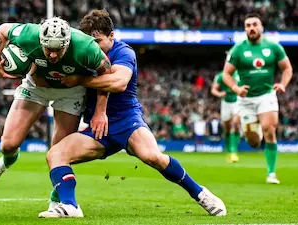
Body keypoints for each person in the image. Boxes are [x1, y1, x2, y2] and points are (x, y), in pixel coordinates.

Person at [38, 9, 227, 218]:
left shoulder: (124, 52)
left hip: (127, 121)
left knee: (152, 157)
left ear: (111, 36)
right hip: (98, 128)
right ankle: (70, 206)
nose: (94, 47)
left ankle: (200, 193)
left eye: (98, 41)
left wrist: (80, 80)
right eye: (90, 42)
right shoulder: (81, 52)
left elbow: (118, 83)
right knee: (55, 154)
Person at [0, 17, 112, 185]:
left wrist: (100, 112)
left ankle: (57, 200)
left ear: (67, 43)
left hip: (70, 92)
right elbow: (2, 30)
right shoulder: (29, 34)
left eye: (58, 49)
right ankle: (8, 160)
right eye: (48, 48)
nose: (52, 54)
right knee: (8, 145)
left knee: (59, 154)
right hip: (36, 87)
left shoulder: (85, 46)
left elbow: (107, 72)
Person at [223, 13, 293, 184]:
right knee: (253, 142)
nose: (251, 28)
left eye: (255, 24)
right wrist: (235, 88)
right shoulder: (238, 49)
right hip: (246, 100)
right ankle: (256, 130)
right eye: (248, 25)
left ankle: (271, 173)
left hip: (266, 95)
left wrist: (283, 84)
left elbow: (287, 69)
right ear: (245, 29)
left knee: (269, 129)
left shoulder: (274, 47)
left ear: (262, 27)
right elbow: (226, 74)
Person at [211, 69, 241, 162]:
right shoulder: (220, 76)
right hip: (225, 103)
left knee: (235, 124)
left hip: (238, 101)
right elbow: (213, 89)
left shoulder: (240, 74)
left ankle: (233, 152)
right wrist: (220, 93)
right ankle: (228, 149)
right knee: (226, 128)